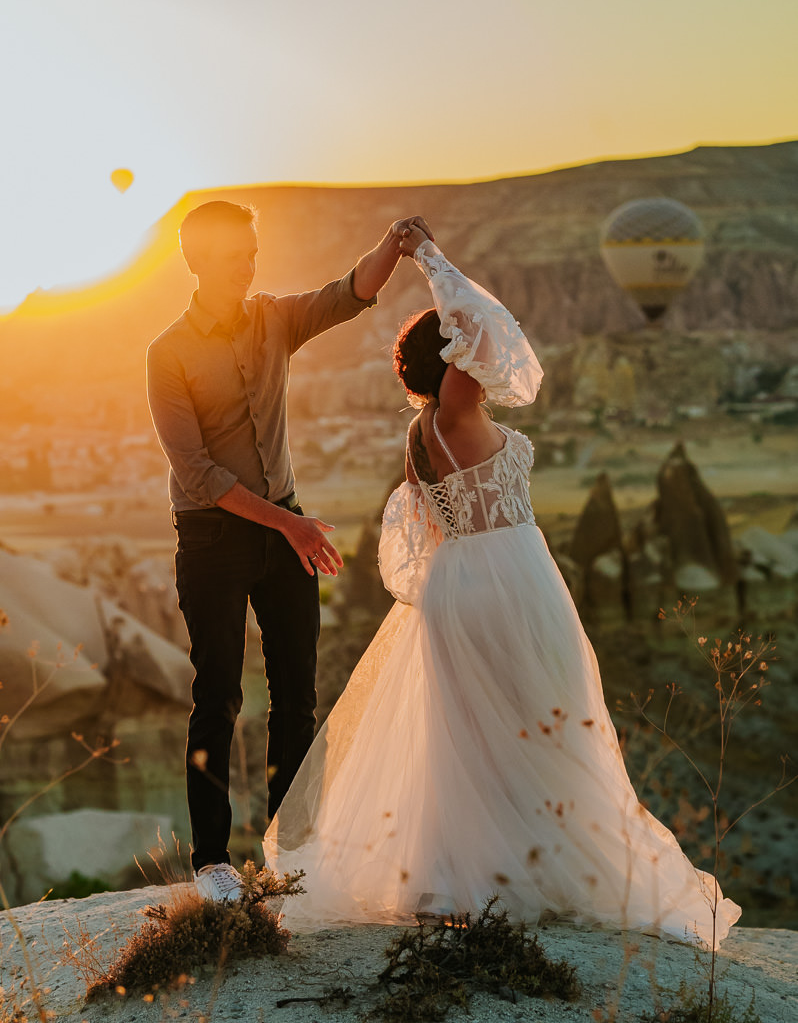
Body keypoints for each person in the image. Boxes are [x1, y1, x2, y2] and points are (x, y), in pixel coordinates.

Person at [262, 222, 741, 950]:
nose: (484, 357)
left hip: (472, 582)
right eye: (463, 352)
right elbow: (481, 324)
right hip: (505, 579)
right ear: (450, 360)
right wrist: (428, 260)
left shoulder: (430, 427)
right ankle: (514, 874)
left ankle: (474, 875)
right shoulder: (453, 411)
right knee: (541, 720)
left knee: (479, 736)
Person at [147, 200, 430, 902]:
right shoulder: (168, 353)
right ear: (200, 261)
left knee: (297, 699)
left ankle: (290, 851)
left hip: (284, 533)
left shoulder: (273, 317)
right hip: (215, 538)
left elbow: (348, 293)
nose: (250, 261)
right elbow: (199, 475)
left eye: (252, 248)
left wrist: (392, 243)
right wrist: (289, 524)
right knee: (217, 697)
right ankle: (212, 861)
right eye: (239, 251)